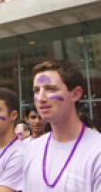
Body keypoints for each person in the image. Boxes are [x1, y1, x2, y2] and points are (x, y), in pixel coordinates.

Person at [24, 60, 101, 191]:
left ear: (75, 94)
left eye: (50, 89)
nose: (40, 98)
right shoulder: (32, 148)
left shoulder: (97, 151)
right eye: (36, 90)